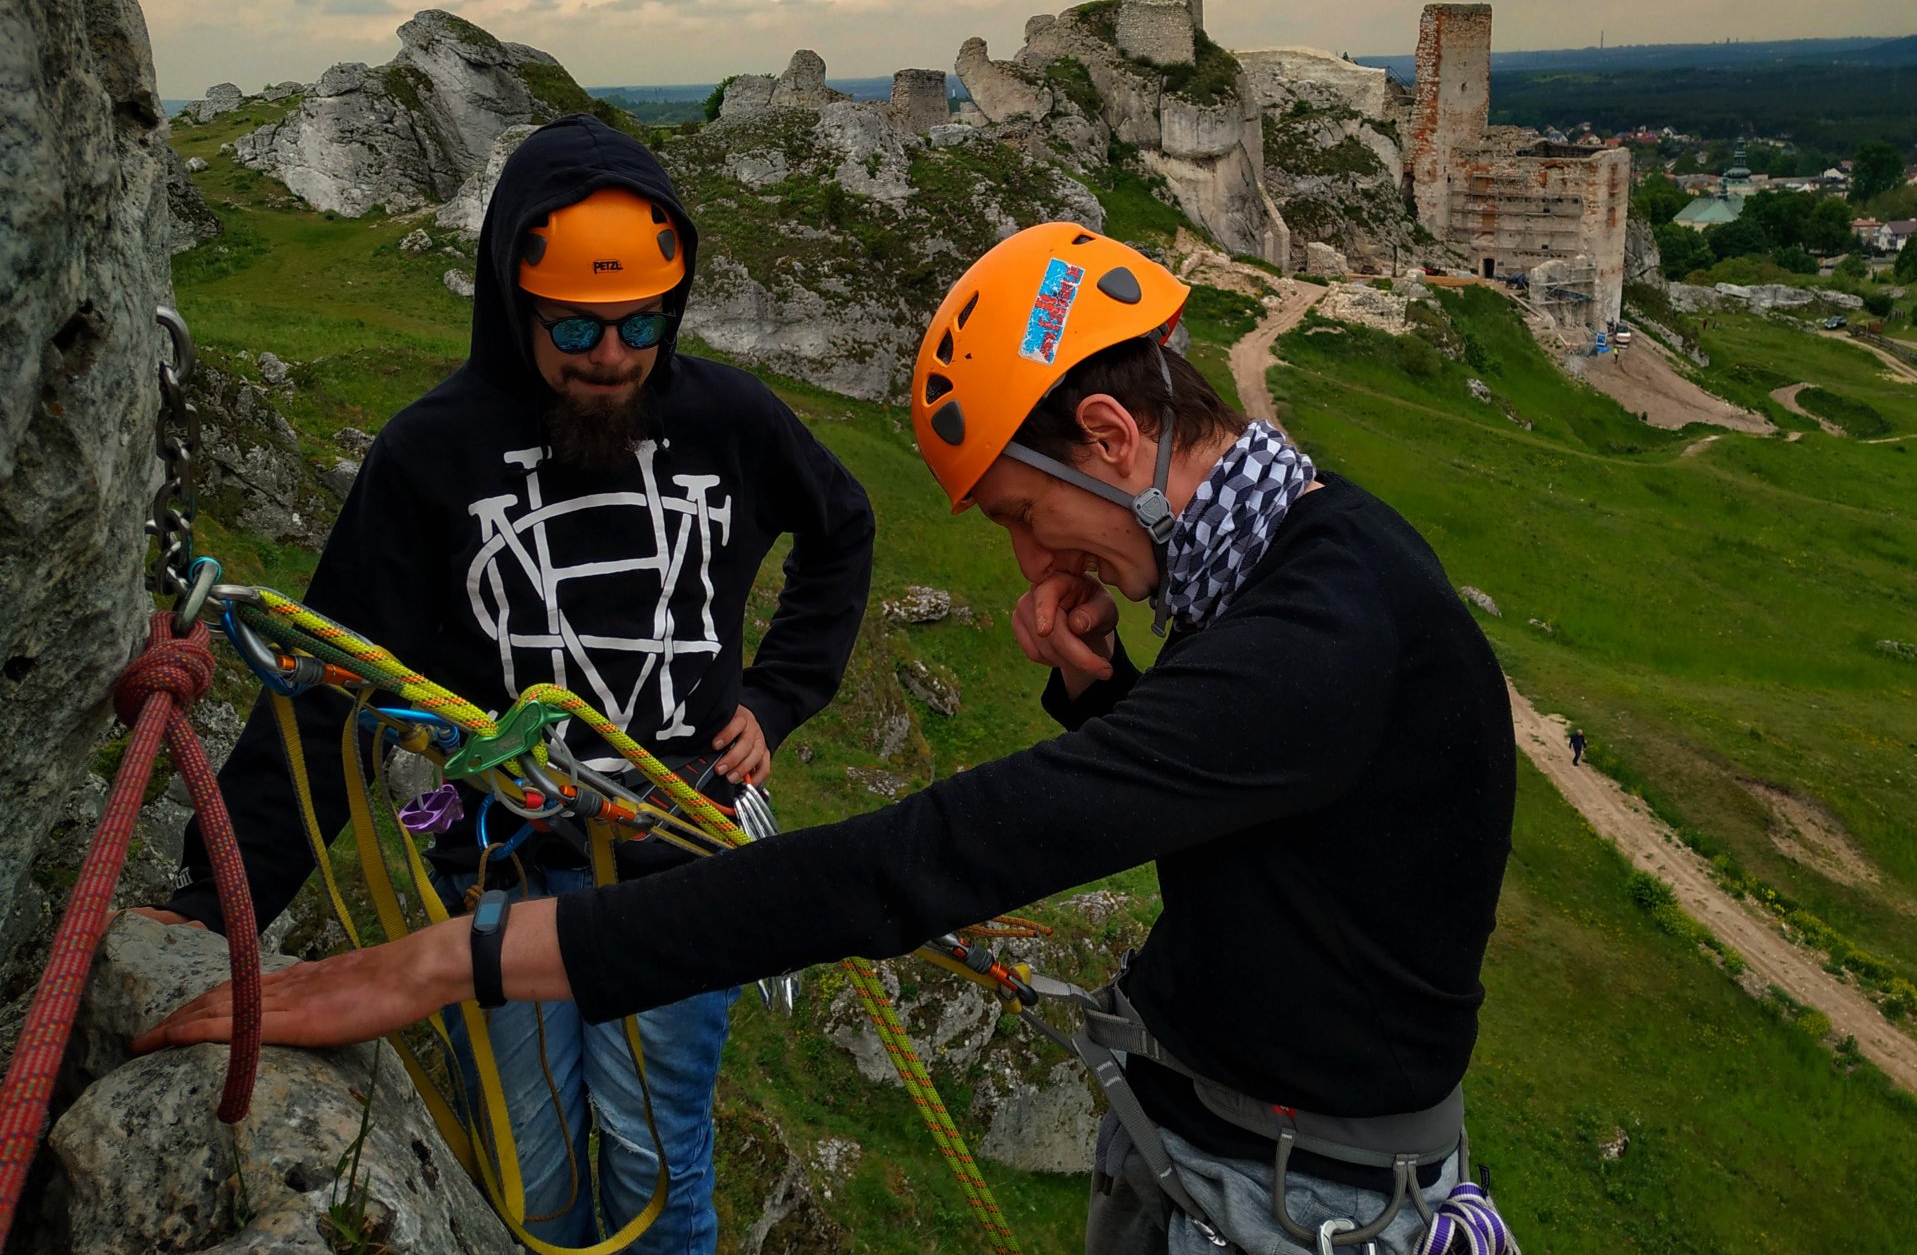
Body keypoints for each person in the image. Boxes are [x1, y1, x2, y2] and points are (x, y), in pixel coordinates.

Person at [142, 223, 1516, 1255]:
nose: (1030, 557)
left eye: (1019, 517)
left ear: (1107, 434)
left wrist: (464, 958)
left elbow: (924, 859)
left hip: (1293, 1202)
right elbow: (1278, 832)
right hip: (1226, 1146)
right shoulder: (1287, 554)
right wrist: (1104, 692)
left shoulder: (1318, 628)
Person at [135, 114, 875, 1254]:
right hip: (500, 859)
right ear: (513, 301)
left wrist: (776, 700)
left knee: (653, 1166)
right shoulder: (433, 455)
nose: (612, 356)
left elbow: (843, 529)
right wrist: (212, 898)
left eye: (640, 323)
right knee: (528, 1172)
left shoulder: (730, 421)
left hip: (680, 849)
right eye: (574, 326)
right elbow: (333, 686)